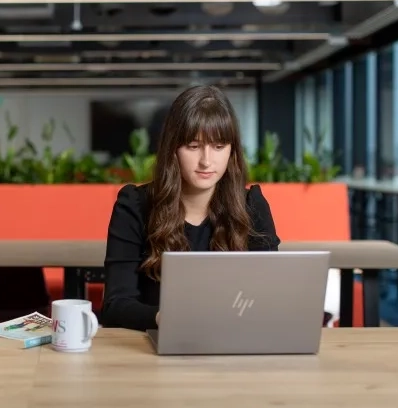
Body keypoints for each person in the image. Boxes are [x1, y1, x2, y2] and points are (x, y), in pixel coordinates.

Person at [101, 85, 280, 331]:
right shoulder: (135, 205)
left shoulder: (252, 205)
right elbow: (115, 305)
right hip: (154, 349)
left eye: (218, 147)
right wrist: (165, 318)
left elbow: (270, 299)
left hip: (236, 345)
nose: (207, 161)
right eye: (193, 146)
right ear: (172, 149)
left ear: (232, 151)